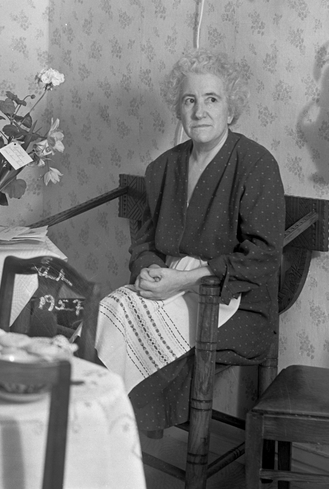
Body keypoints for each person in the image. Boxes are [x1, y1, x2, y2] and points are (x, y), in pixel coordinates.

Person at [96, 49, 285, 434]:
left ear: (231, 109)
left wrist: (185, 279)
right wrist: (149, 269)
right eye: (189, 100)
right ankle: (99, 428)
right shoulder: (162, 168)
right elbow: (145, 242)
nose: (200, 111)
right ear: (179, 110)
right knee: (110, 309)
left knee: (146, 323)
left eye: (212, 99)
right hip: (172, 287)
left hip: (236, 303)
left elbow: (264, 256)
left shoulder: (256, 164)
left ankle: (118, 430)